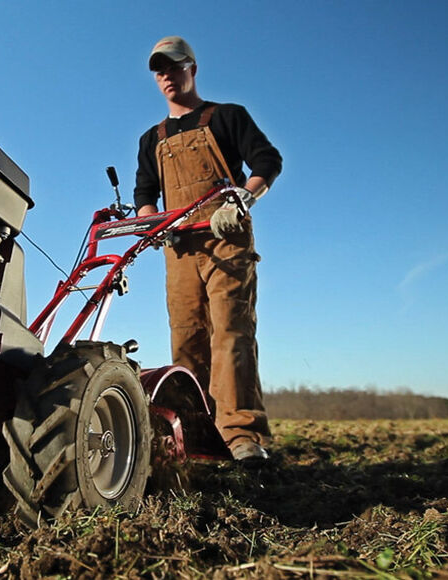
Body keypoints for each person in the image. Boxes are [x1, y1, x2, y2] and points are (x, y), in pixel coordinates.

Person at [134, 36, 282, 461]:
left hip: (225, 237)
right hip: (178, 245)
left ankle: (241, 435)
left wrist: (241, 198)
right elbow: (145, 191)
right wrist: (153, 222)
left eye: (173, 66)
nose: (166, 75)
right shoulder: (152, 138)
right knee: (187, 339)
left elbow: (267, 161)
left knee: (231, 333)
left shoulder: (227, 116)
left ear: (192, 69)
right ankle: (194, 437)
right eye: (158, 70)